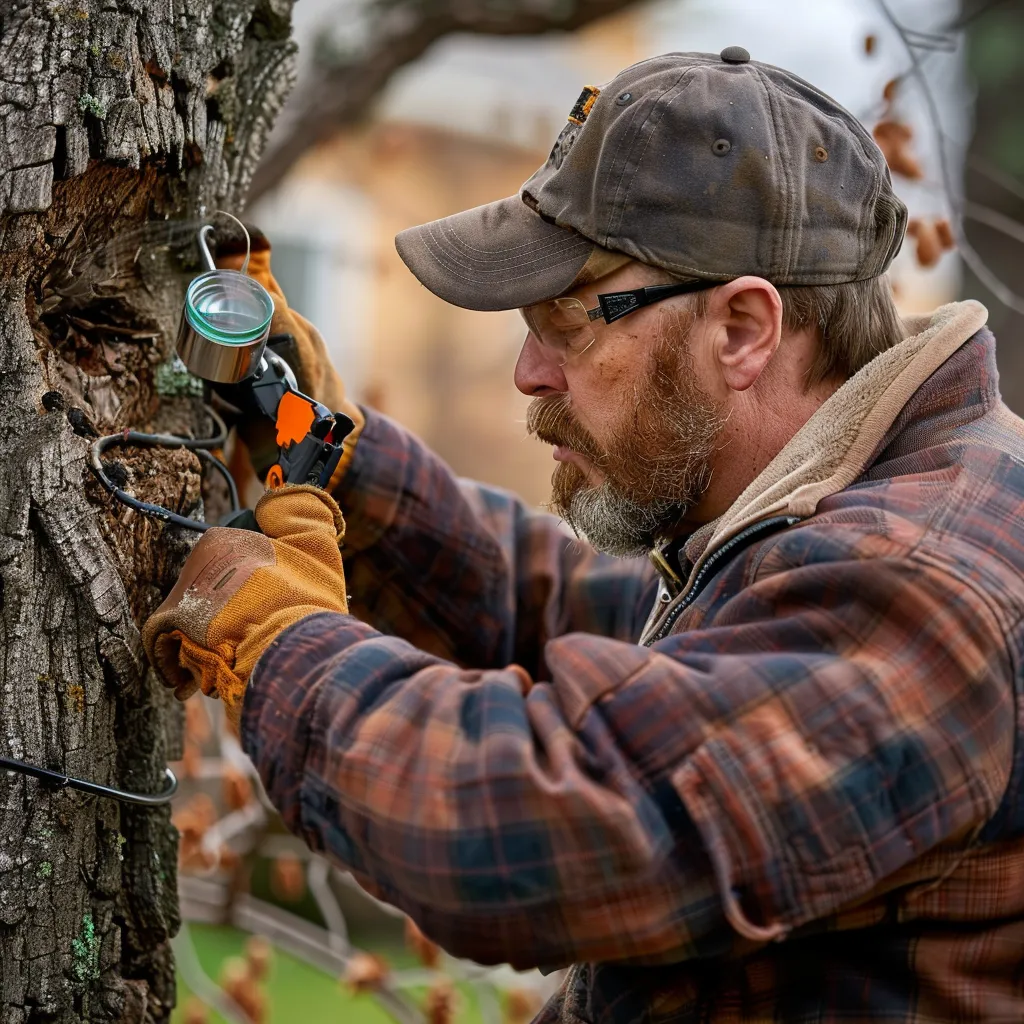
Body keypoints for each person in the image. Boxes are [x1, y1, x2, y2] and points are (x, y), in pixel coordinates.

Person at [145, 50, 1024, 1022]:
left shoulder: (922, 589)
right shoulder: (818, 503)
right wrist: (339, 464)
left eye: (565, 321)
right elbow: (577, 613)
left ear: (740, 330)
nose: (527, 372)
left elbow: (544, 820)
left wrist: (275, 643)